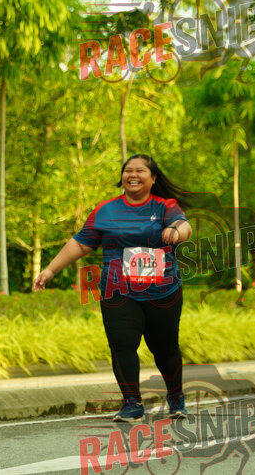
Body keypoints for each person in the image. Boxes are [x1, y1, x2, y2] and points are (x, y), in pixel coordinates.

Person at [33, 154, 193, 422]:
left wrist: (176, 232)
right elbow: (81, 243)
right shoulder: (105, 210)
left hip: (162, 292)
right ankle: (132, 403)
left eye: (140, 171)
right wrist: (50, 270)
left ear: (153, 178)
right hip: (118, 290)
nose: (133, 175)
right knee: (122, 344)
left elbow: (184, 226)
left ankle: (176, 396)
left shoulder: (165, 206)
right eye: (128, 170)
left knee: (164, 348)